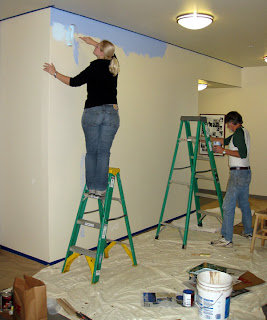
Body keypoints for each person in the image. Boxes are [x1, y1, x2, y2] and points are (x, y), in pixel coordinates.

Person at [43, 37, 120, 198]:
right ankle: (101, 190)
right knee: (104, 152)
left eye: (97, 46)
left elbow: (74, 82)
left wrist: (54, 73)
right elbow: (113, 54)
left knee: (92, 152)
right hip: (112, 113)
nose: (95, 46)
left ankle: (92, 189)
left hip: (93, 112)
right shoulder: (114, 67)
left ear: (100, 51)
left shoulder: (94, 67)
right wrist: (94, 43)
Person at [210, 111, 253, 248]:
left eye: (228, 123)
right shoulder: (242, 132)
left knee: (227, 206)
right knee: (244, 204)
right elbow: (225, 141)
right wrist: (205, 139)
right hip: (245, 172)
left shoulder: (239, 133)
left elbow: (242, 153)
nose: (227, 126)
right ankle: (248, 232)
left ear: (231, 122)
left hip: (238, 174)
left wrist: (223, 151)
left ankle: (227, 239)